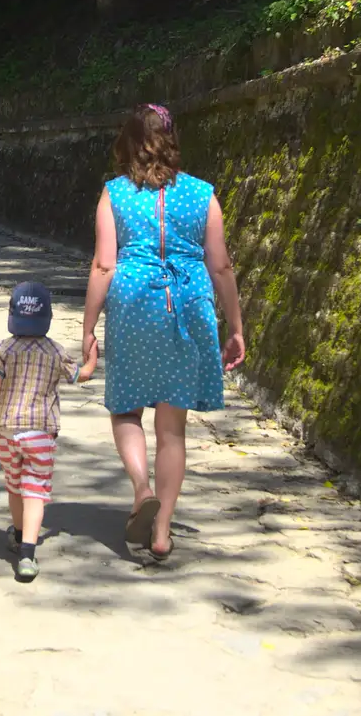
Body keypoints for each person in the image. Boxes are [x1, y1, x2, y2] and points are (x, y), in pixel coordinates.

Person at [80, 104, 246, 560]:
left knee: (126, 409)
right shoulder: (202, 194)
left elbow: (103, 265)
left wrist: (89, 327)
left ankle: (140, 489)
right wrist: (235, 326)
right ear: (172, 142)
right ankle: (162, 531)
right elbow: (222, 265)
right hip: (189, 301)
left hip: (134, 301)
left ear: (128, 143)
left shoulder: (113, 195)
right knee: (172, 429)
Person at [0, 281, 97, 582]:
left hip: (6, 431)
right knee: (35, 491)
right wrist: (92, 357)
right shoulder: (55, 351)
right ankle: (27, 554)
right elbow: (83, 375)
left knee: (14, 485)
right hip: (40, 432)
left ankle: (16, 534)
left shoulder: (2, 349)